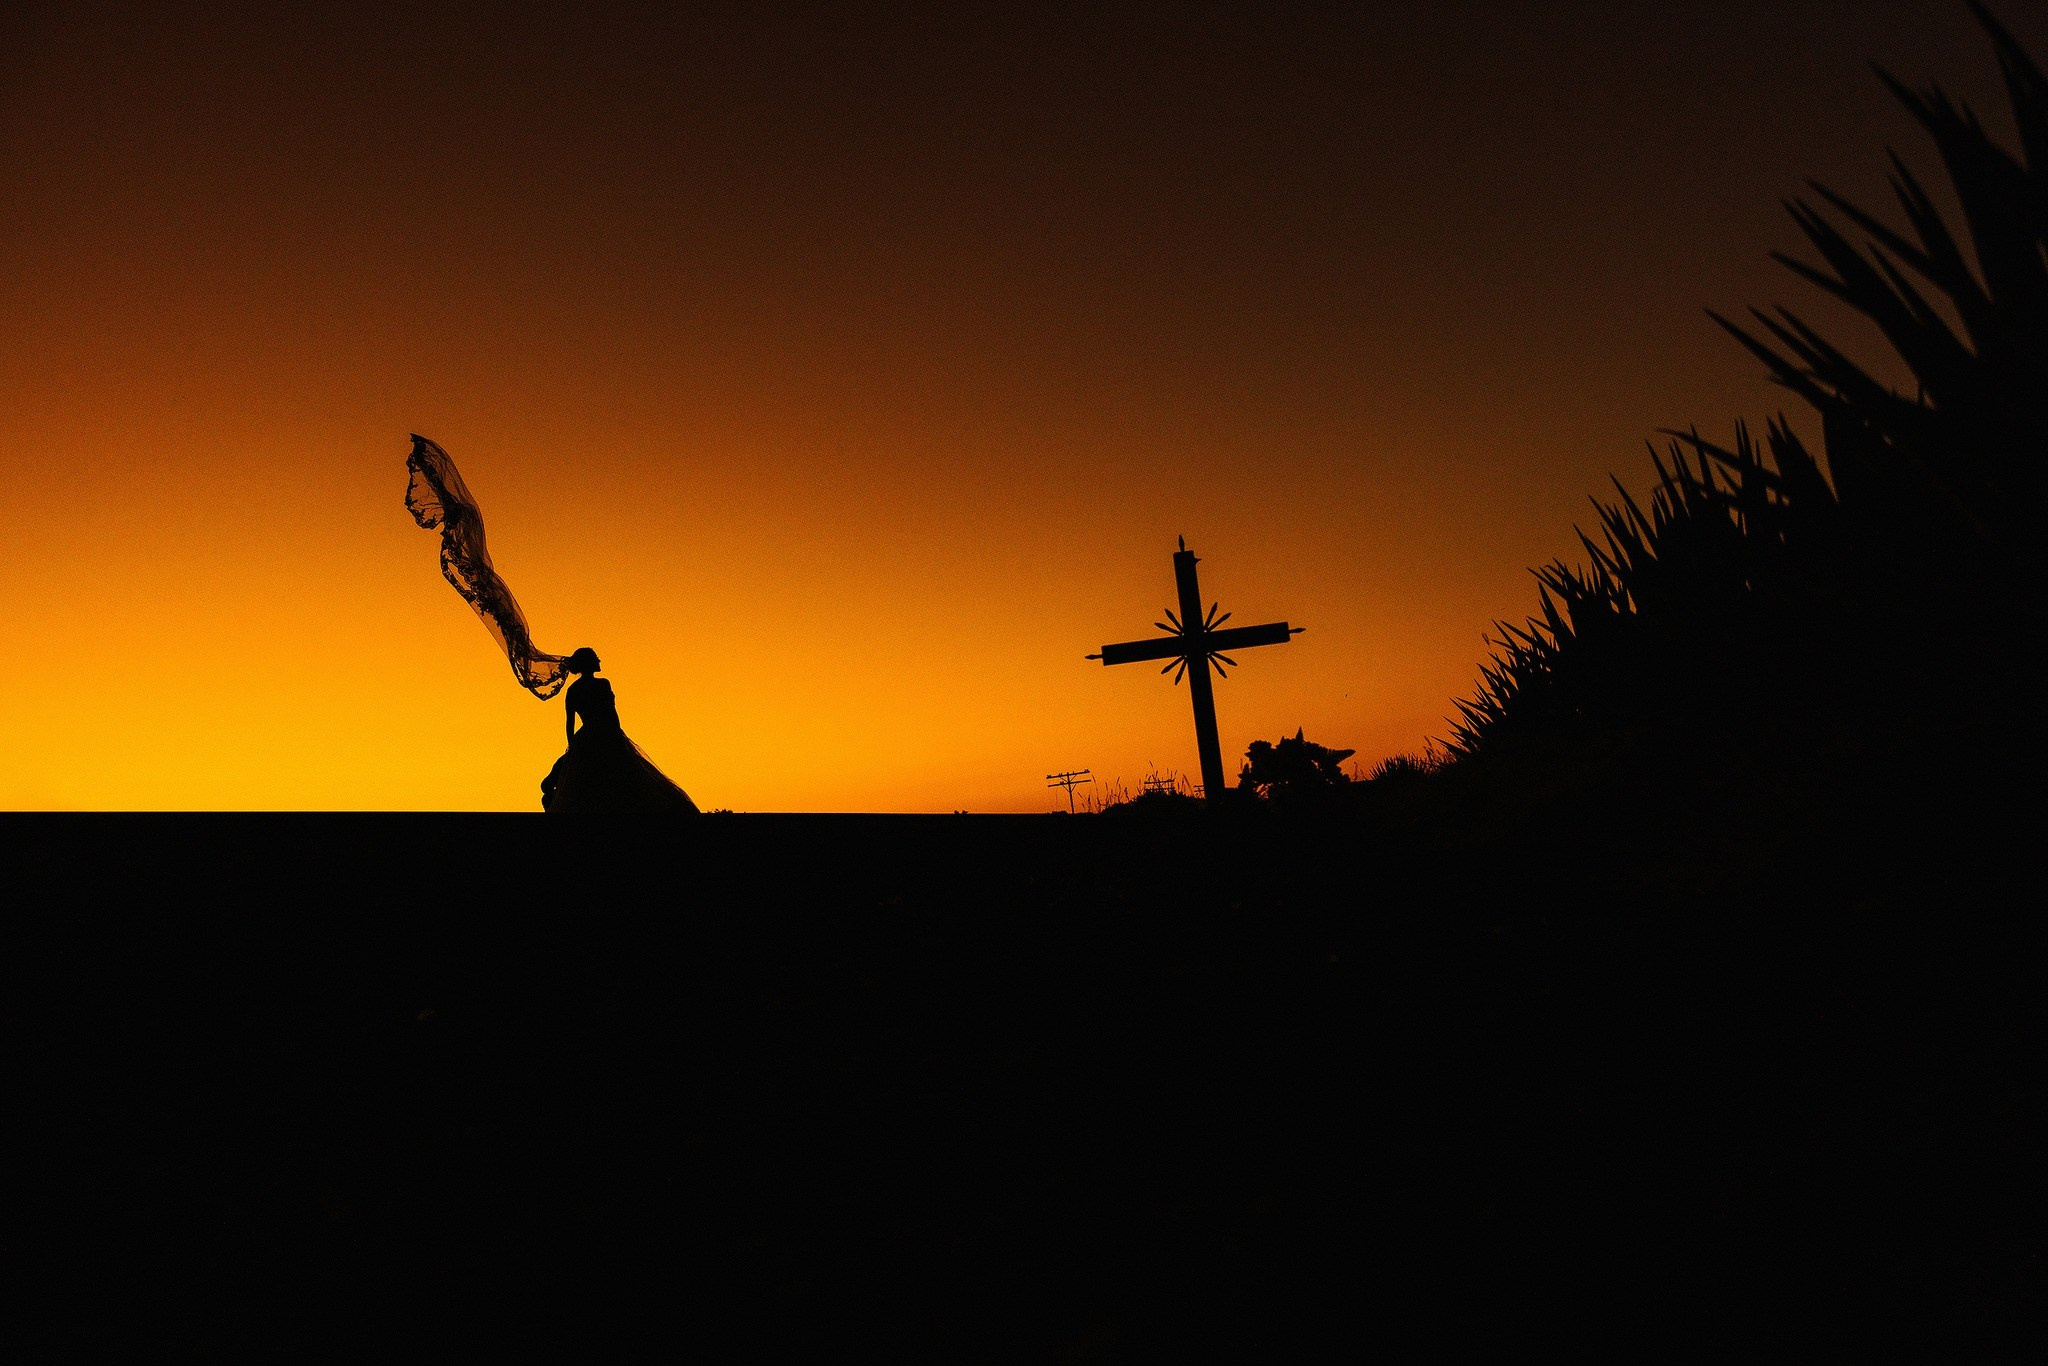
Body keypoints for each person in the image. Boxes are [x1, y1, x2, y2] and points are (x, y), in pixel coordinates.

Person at [541, 649, 699, 815]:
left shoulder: (574, 689)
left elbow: (570, 724)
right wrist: (617, 736)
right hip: (607, 735)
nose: (599, 660)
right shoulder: (602, 684)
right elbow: (610, 714)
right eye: (596, 658)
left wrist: (573, 746)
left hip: (587, 738)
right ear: (589, 663)